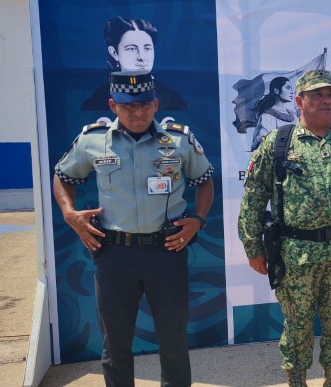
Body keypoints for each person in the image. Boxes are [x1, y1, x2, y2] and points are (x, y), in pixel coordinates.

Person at [54, 70, 214, 386]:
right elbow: (63, 176)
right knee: (115, 343)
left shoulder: (179, 140)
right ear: (113, 106)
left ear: (156, 105)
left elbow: (205, 181)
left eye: (143, 104)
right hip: (114, 255)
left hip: (166, 251)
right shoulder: (93, 140)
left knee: (173, 340)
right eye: (128, 105)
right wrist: (70, 214)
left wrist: (198, 220)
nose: (137, 112)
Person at [238, 69, 331, 387]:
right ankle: (296, 382)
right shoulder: (278, 143)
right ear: (299, 100)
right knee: (297, 325)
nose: (325, 100)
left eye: (329, 95)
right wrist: (253, 247)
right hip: (296, 254)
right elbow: (253, 198)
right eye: (317, 95)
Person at [82, 16, 188, 111]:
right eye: (132, 49)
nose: (141, 57)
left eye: (147, 48)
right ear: (114, 53)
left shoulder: (171, 100)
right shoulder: (98, 101)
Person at [250, 76, 297, 151]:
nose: (291, 92)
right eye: (288, 87)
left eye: (291, 88)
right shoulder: (267, 117)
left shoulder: (293, 116)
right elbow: (268, 143)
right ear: (276, 90)